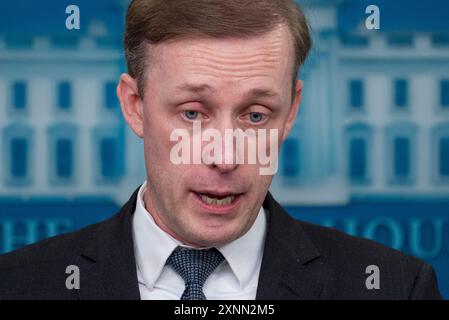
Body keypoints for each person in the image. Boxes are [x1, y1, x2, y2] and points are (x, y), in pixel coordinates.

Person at [0, 0, 441, 300]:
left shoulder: (397, 289)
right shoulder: (17, 286)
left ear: (292, 112)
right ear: (135, 107)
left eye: (255, 115)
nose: (225, 156)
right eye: (193, 114)